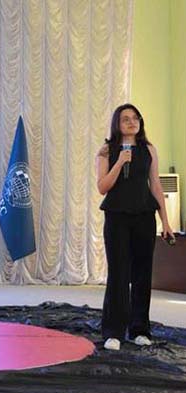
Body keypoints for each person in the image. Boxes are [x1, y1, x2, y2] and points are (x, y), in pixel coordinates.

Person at [96, 103, 174, 351]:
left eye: (135, 118)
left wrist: (165, 221)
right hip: (117, 217)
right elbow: (102, 187)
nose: (132, 122)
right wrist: (119, 162)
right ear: (117, 124)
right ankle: (113, 331)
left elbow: (155, 185)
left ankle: (139, 329)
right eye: (126, 119)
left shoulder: (149, 150)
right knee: (118, 274)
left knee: (142, 273)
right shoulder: (107, 151)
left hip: (144, 216)